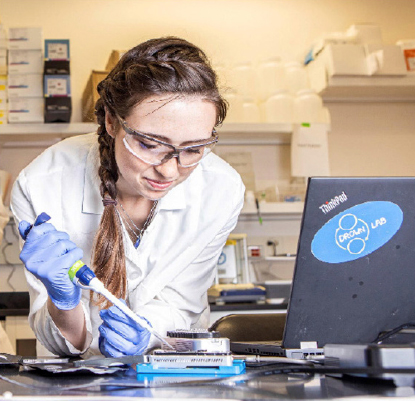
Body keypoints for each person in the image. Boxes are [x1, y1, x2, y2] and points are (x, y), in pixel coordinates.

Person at [11, 37, 245, 358]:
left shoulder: (221, 189)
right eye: (149, 144)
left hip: (174, 373)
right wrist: (62, 301)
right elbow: (57, 341)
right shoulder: (41, 184)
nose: (169, 171)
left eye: (193, 149)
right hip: (79, 383)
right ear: (111, 120)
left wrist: (147, 331)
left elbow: (183, 302)